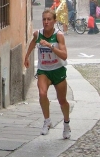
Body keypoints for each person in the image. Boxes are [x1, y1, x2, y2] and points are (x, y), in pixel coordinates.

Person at [24, 9, 71, 139]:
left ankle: (66, 123)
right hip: (43, 70)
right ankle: (47, 120)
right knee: (42, 93)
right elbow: (33, 42)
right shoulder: (38, 34)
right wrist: (26, 57)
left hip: (58, 70)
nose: (46, 22)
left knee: (62, 100)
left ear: (54, 21)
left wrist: (50, 46)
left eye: (49, 19)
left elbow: (64, 55)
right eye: (44, 19)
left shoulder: (59, 35)